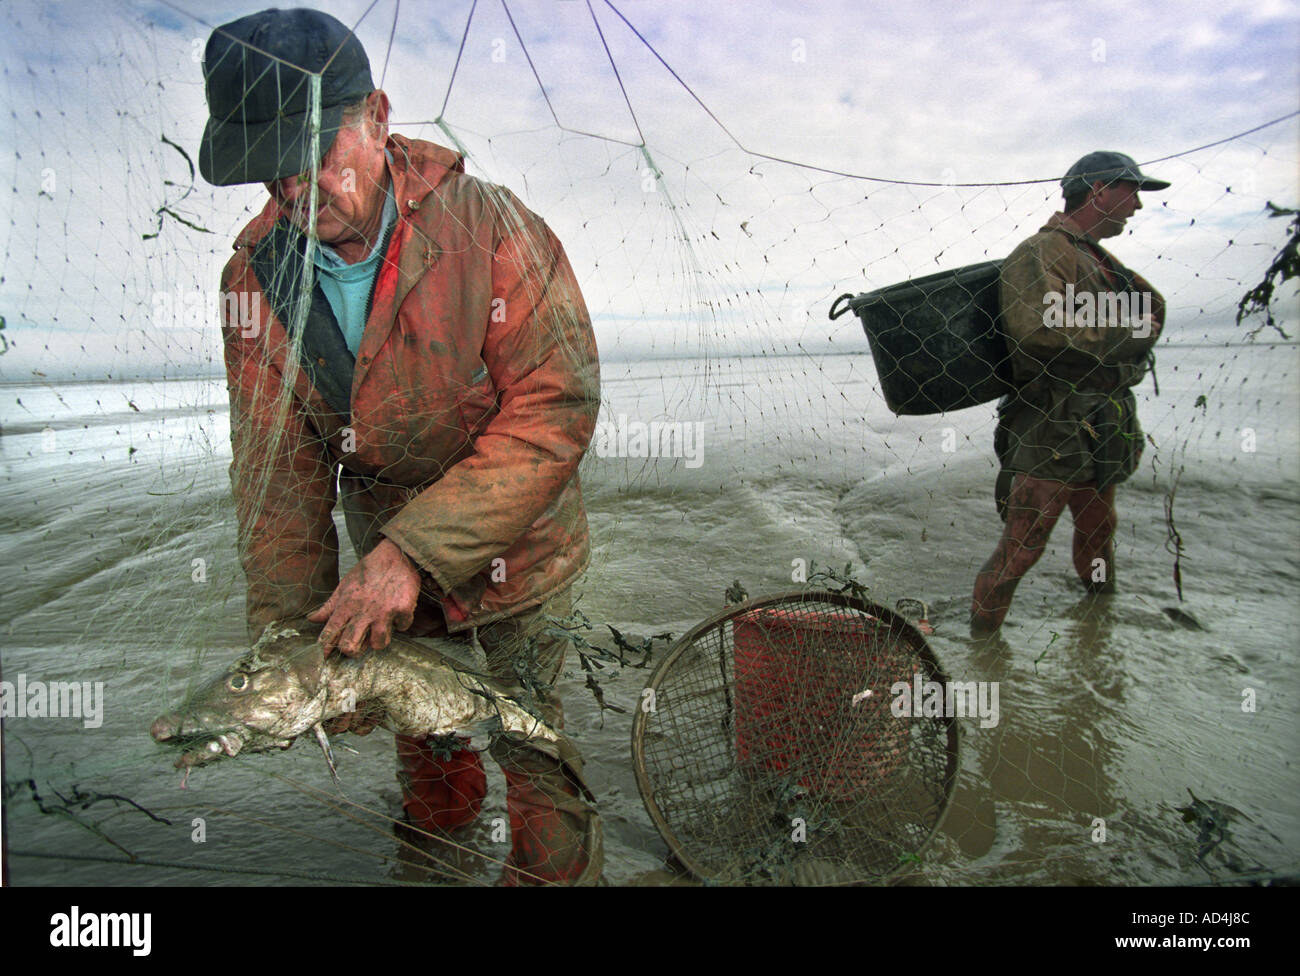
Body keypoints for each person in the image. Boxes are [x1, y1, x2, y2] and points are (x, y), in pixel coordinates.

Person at [198, 8, 602, 884]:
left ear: (378, 117)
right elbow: (280, 481)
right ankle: (437, 856)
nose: (298, 193)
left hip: (519, 553)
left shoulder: (490, 227)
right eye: (274, 176)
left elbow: (554, 408)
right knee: (426, 746)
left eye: (317, 159)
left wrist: (414, 552)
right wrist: (288, 648)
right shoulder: (253, 281)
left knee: (533, 745)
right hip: (383, 559)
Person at [971, 151, 1169, 636]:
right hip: (1052, 417)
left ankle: (1098, 633)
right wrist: (1132, 332)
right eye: (1132, 192)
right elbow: (1037, 330)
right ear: (1099, 189)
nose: (1138, 206)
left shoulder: (1092, 256)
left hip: (1106, 414)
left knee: (1100, 530)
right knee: (1025, 540)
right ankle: (982, 649)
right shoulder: (1040, 252)